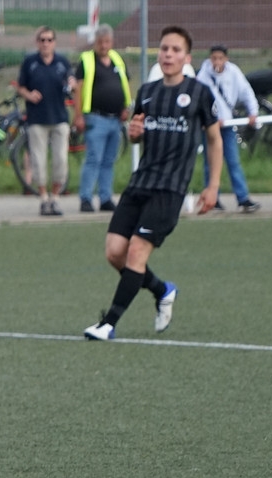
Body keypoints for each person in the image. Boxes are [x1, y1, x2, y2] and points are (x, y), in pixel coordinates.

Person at [84, 25, 221, 342]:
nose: (168, 55)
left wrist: (212, 185)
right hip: (140, 183)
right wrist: (134, 135)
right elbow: (138, 133)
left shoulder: (199, 93)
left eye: (175, 50)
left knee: (136, 252)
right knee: (114, 252)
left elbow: (215, 140)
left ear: (187, 57)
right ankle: (162, 290)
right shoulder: (147, 91)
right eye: (164, 49)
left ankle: (108, 323)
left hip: (169, 189)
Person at [72, 24, 131, 213]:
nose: (104, 46)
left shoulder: (117, 60)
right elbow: (79, 89)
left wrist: (126, 107)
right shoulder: (87, 60)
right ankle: (86, 198)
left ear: (111, 42)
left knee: (108, 160)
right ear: (95, 43)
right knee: (93, 159)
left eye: (107, 42)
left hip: (116, 119)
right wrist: (78, 115)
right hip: (96, 117)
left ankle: (105, 197)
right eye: (100, 42)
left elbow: (125, 83)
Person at [196, 44, 261, 213]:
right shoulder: (203, 75)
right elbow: (200, 99)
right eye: (214, 58)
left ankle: (243, 198)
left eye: (220, 58)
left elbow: (246, 92)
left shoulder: (234, 72)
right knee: (210, 163)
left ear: (226, 59)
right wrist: (208, 119)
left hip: (227, 126)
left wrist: (253, 112)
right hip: (210, 128)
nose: (217, 62)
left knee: (233, 161)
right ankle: (213, 199)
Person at [17, 26, 73, 216]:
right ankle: (43, 198)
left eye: (49, 40)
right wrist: (28, 95)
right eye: (42, 40)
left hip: (59, 117)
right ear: (37, 42)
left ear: (54, 42)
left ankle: (55, 197)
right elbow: (20, 86)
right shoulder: (30, 62)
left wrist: (72, 85)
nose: (46, 43)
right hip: (37, 118)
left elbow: (71, 83)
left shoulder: (62, 62)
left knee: (60, 160)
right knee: (38, 161)